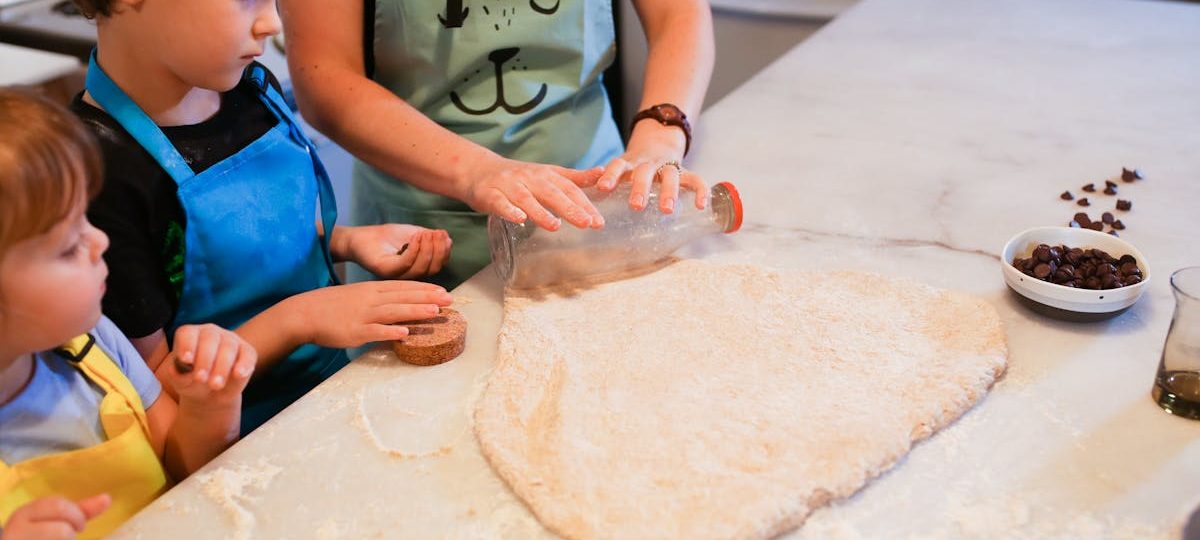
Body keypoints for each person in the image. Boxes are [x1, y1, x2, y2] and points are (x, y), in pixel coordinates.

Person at [67, 0, 454, 434]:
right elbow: (160, 394)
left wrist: (344, 241)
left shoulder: (253, 90)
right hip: (238, 442)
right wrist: (299, 320)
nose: (272, 23)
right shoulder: (96, 176)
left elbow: (254, 230)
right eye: (245, 0)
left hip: (336, 389)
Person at [281, 0, 715, 288]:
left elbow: (678, 15)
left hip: (600, 211)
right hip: (425, 239)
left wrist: (661, 130)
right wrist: (479, 171)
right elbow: (325, 80)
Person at [0, 89, 257, 539]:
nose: (99, 242)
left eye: (86, 220)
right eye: (67, 247)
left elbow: (180, 466)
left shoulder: (93, 342)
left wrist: (209, 405)